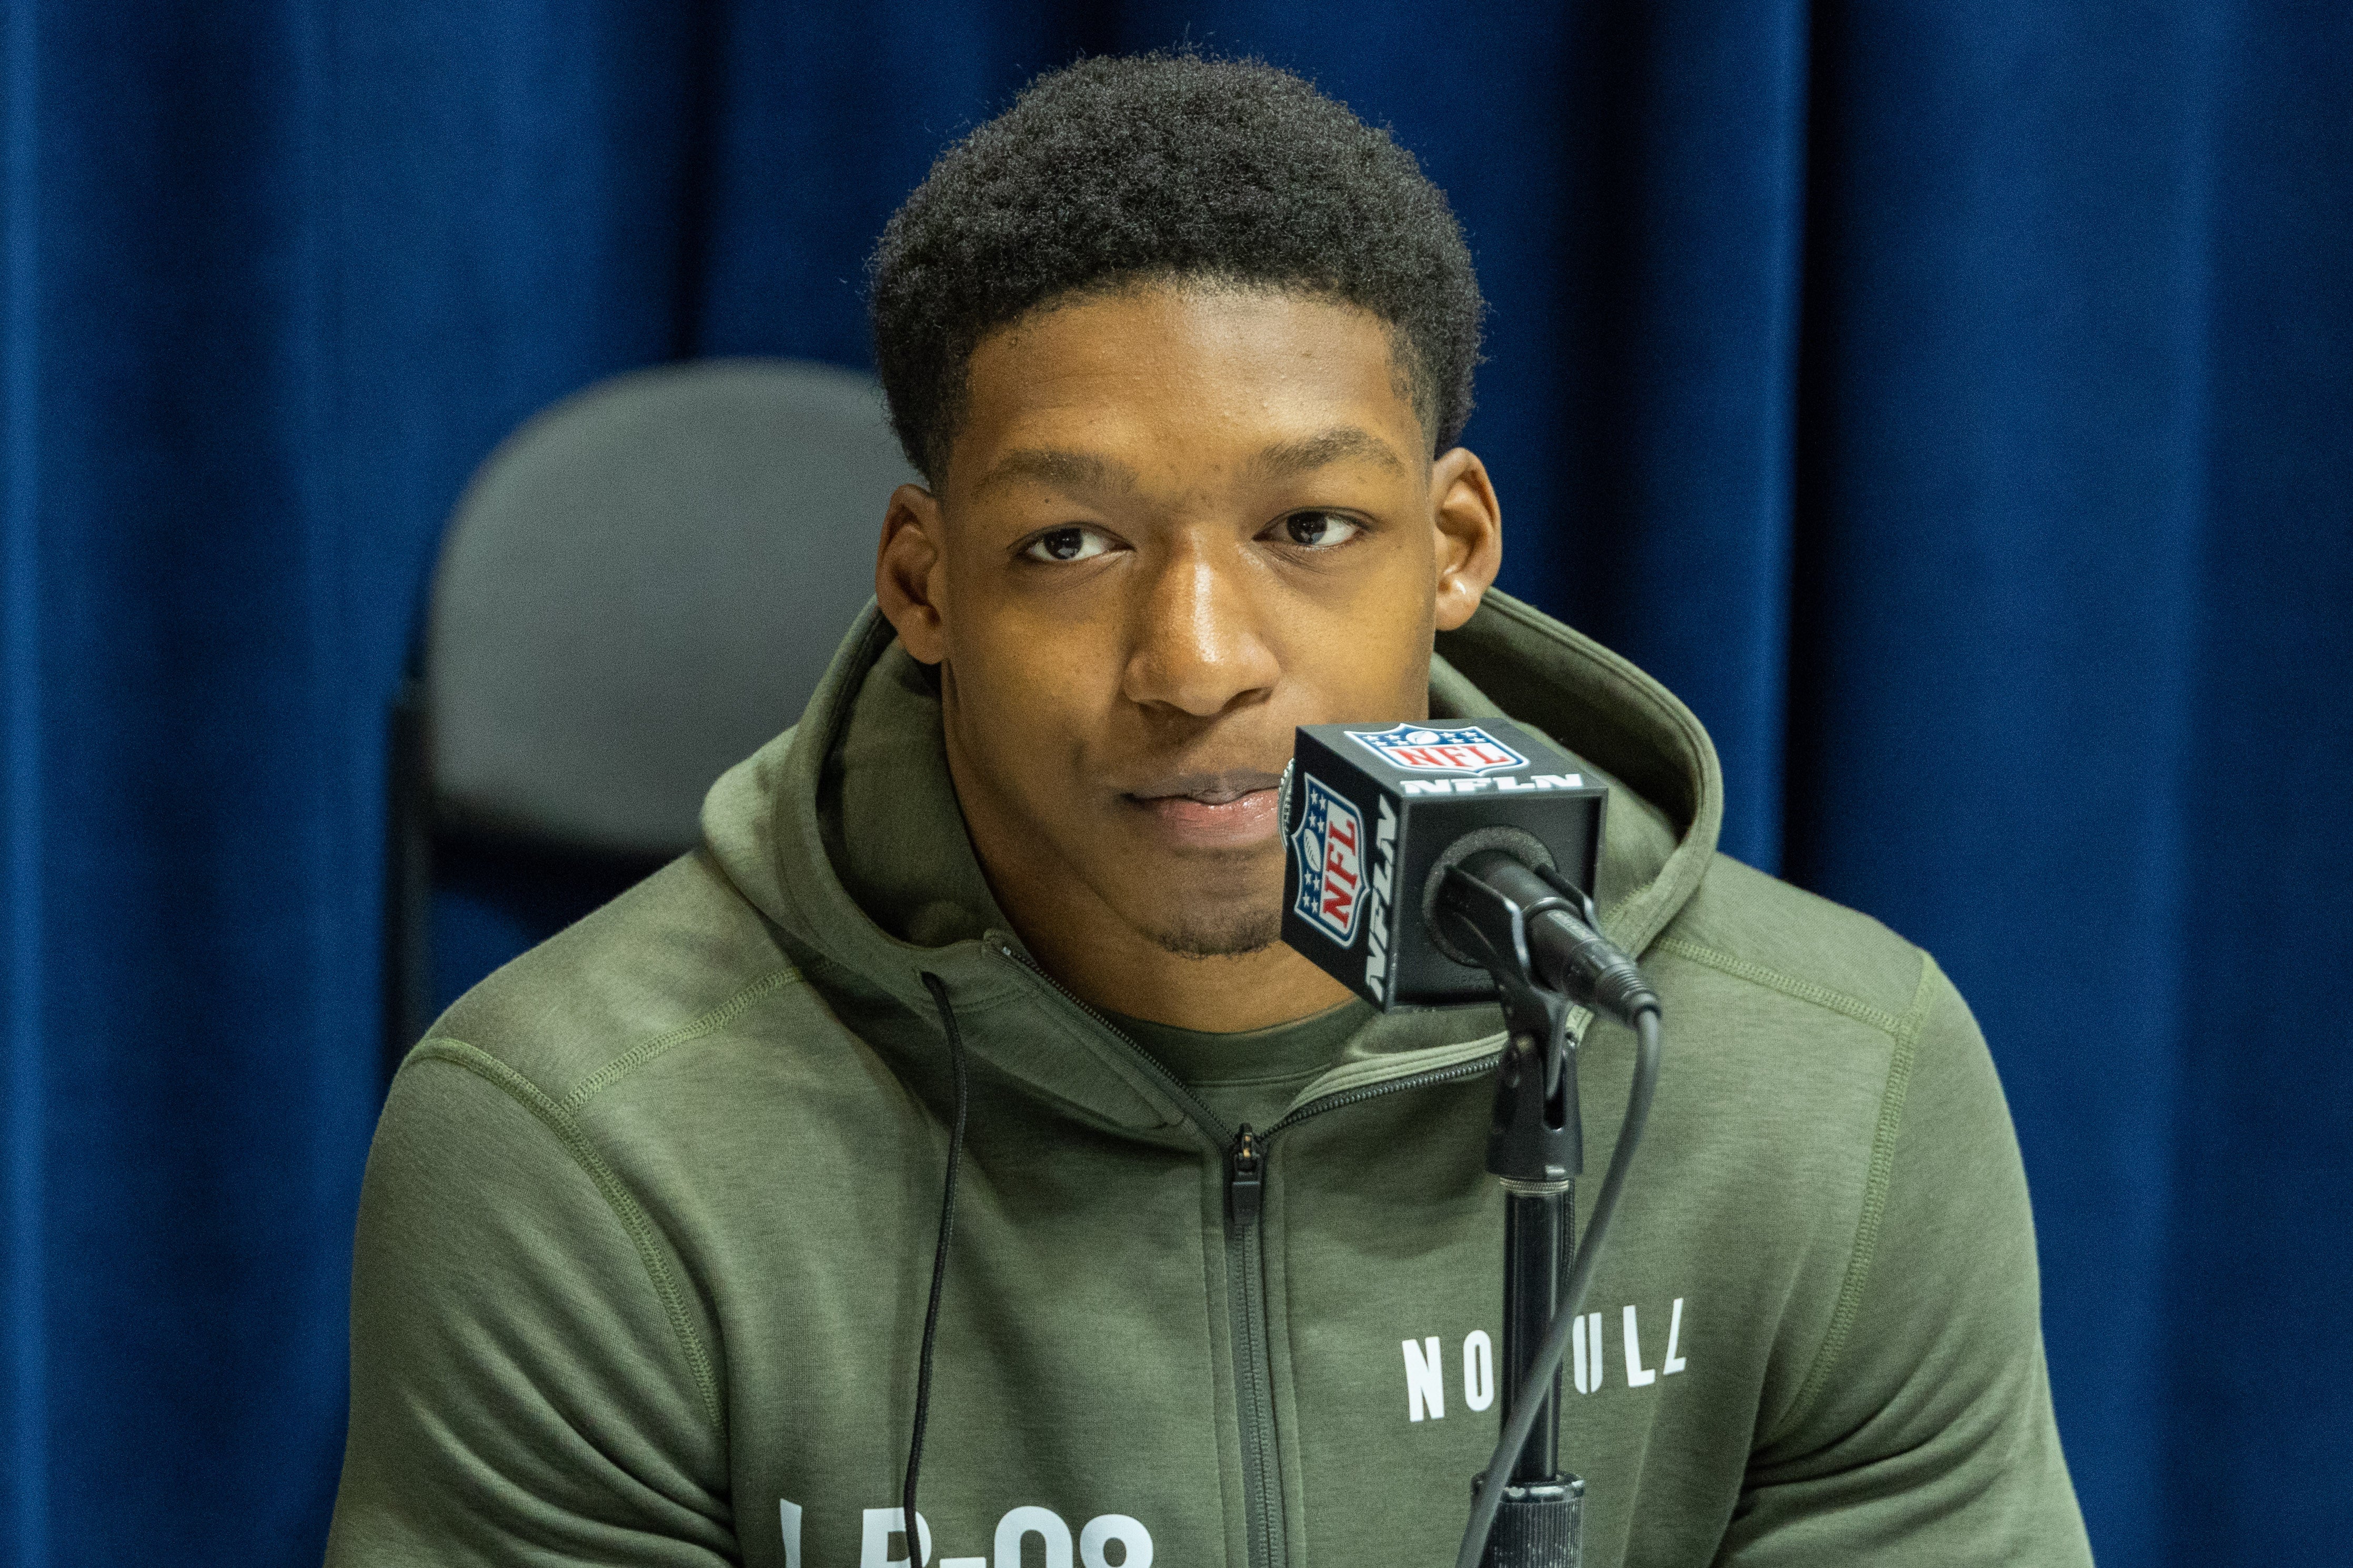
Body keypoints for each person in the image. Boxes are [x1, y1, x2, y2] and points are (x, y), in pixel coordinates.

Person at [325, 52, 2093, 1568]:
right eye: (1072, 544)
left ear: (1455, 547)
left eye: (1309, 528)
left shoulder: (1829, 1084)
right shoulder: (584, 1148)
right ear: (926, 586)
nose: (1196, 661)